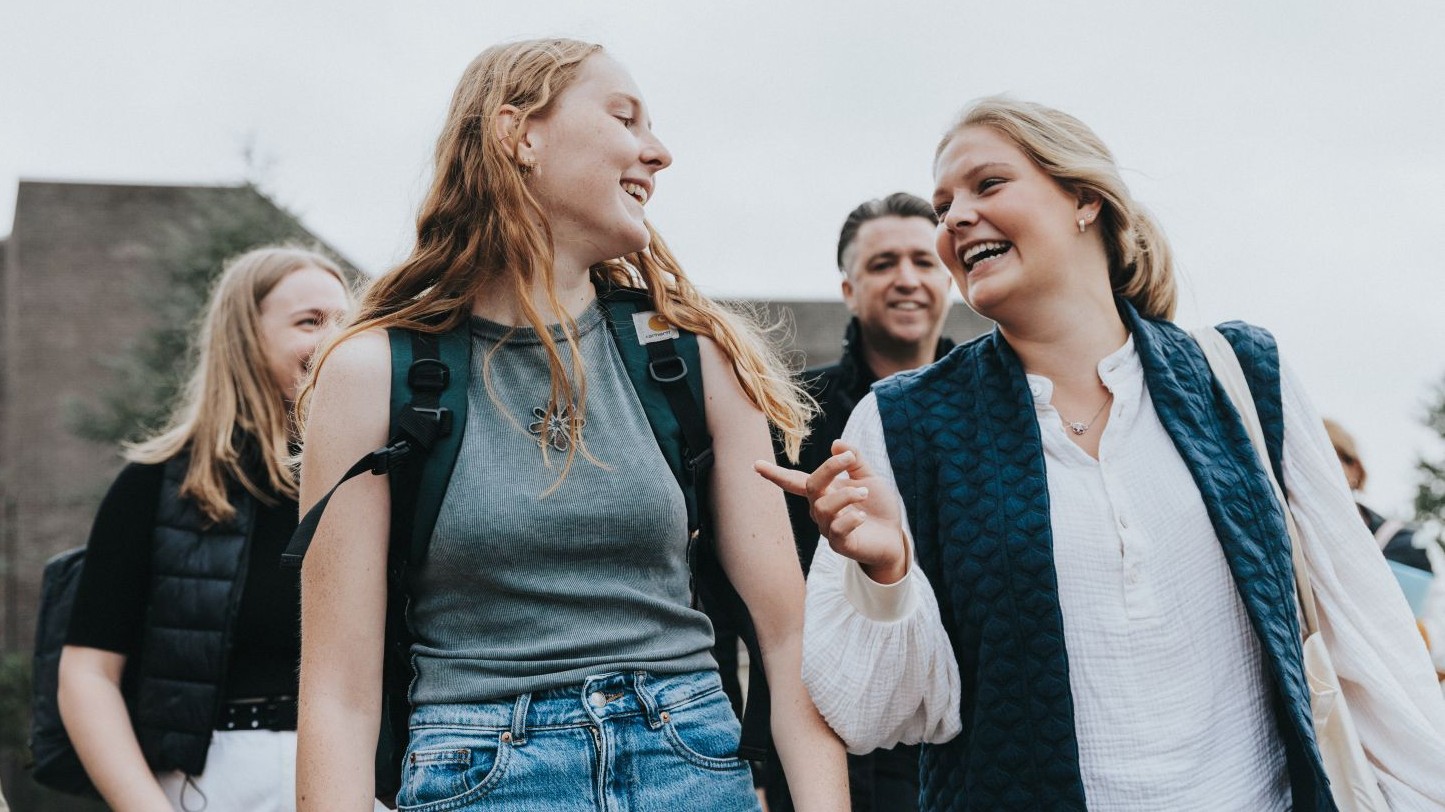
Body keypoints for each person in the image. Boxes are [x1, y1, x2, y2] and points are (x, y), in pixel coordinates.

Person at [757, 96, 1445, 810]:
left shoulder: (1240, 374)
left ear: (1085, 200)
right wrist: (886, 575)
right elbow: (873, 718)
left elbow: (1375, 646)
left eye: (987, 185)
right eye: (943, 206)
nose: (955, 218)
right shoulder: (900, 423)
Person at [295, 38, 847, 811]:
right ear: (519, 135)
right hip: (479, 774)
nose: (658, 153)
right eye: (625, 118)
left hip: (689, 761)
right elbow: (338, 696)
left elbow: (789, 641)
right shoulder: (367, 375)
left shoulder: (695, 360)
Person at [57, 246, 352, 811]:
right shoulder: (155, 485)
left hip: (356, 778)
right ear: (244, 338)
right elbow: (88, 674)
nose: (336, 339)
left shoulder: (374, 479)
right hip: (211, 784)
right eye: (310, 322)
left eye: (346, 322)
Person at [765, 192, 954, 812]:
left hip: (961, 734)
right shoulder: (791, 412)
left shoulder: (992, 407)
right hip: (823, 737)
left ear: (948, 277)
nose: (907, 279)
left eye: (924, 262)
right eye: (883, 263)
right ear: (848, 289)